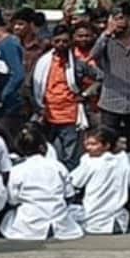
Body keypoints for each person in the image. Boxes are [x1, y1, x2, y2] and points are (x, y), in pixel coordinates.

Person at [1, 124, 83, 241]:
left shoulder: (17, 170)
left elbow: (13, 200)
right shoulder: (58, 166)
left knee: (8, 218)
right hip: (59, 219)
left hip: (30, 221)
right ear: (44, 147)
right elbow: (69, 195)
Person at [88, 4, 130, 147]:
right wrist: (106, 33)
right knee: (107, 143)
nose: (118, 22)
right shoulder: (106, 40)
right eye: (115, 18)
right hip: (111, 100)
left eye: (121, 18)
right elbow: (93, 55)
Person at [32, 25, 95, 168]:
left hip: (70, 116)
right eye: (57, 41)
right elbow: (30, 85)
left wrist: (85, 94)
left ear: (71, 42)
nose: (61, 44)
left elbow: (100, 78)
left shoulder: (78, 65)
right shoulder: (42, 63)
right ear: (52, 42)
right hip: (48, 115)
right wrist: (38, 108)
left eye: (65, 41)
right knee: (48, 154)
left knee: (70, 157)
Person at [70, 126, 130, 234]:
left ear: (106, 145)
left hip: (93, 222)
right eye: (87, 144)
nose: (89, 148)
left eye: (93, 144)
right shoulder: (123, 159)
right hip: (118, 222)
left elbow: (74, 182)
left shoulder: (90, 162)